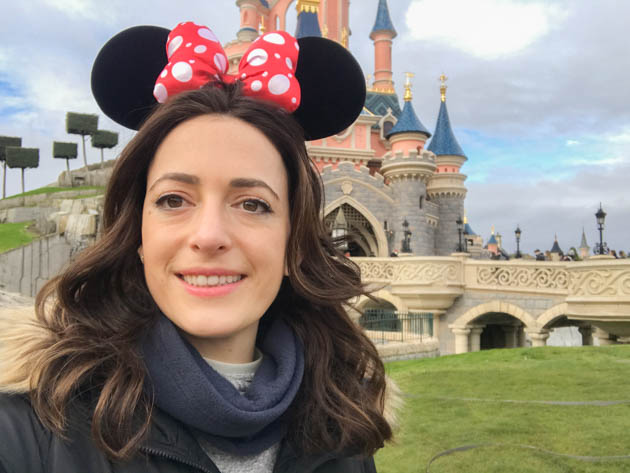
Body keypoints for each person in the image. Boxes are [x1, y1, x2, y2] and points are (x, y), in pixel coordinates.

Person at [0, 22, 395, 473]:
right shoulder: (30, 428)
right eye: (173, 200)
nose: (208, 236)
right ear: (139, 237)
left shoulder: (343, 428)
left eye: (252, 204)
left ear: (294, 245)